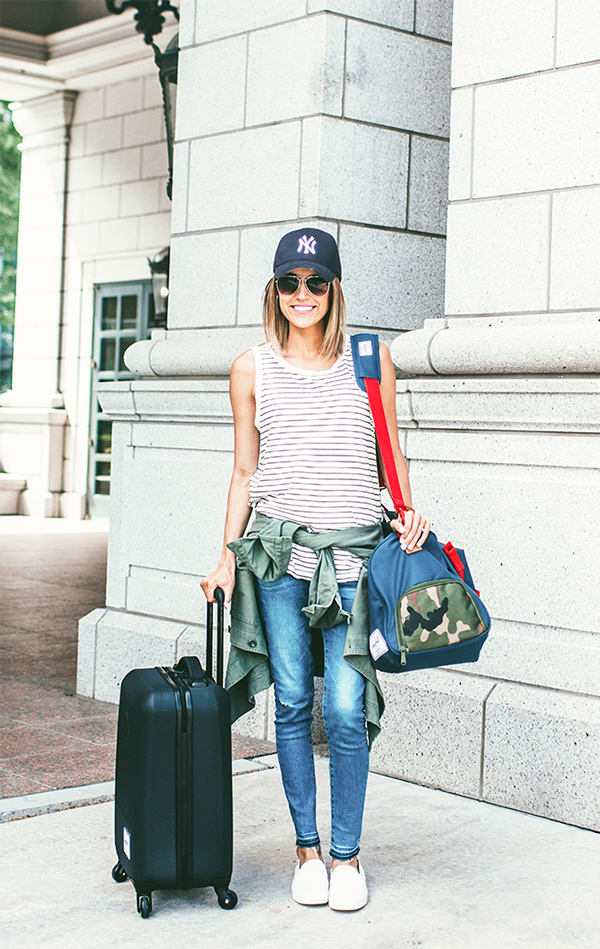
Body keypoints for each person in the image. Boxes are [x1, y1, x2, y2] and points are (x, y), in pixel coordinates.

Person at [201, 227, 430, 912]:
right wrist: (224, 556)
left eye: (316, 282)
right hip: (278, 556)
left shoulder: (370, 357)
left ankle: (347, 856)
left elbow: (391, 453)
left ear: (334, 289)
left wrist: (410, 511)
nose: (303, 295)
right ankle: (307, 850)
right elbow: (246, 470)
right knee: (295, 699)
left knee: (345, 708)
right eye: (290, 283)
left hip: (356, 556)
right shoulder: (252, 368)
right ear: (275, 291)